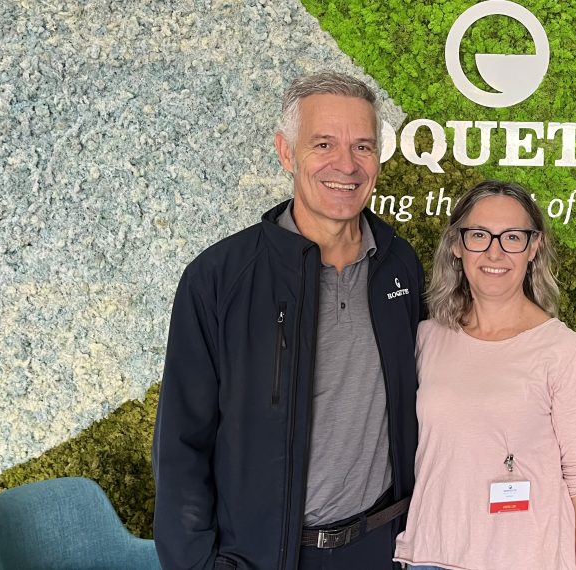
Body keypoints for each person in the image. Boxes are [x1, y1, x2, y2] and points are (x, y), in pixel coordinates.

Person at [152, 72, 425, 570]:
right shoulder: (219, 278)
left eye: (363, 146)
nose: (347, 164)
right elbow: (181, 445)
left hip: (381, 548)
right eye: (324, 144)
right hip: (265, 558)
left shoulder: (398, 265)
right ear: (286, 152)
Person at [393, 180, 576, 570]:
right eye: (479, 235)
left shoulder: (564, 352)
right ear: (457, 245)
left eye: (512, 237)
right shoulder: (427, 338)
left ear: (534, 247)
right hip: (431, 558)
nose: (494, 252)